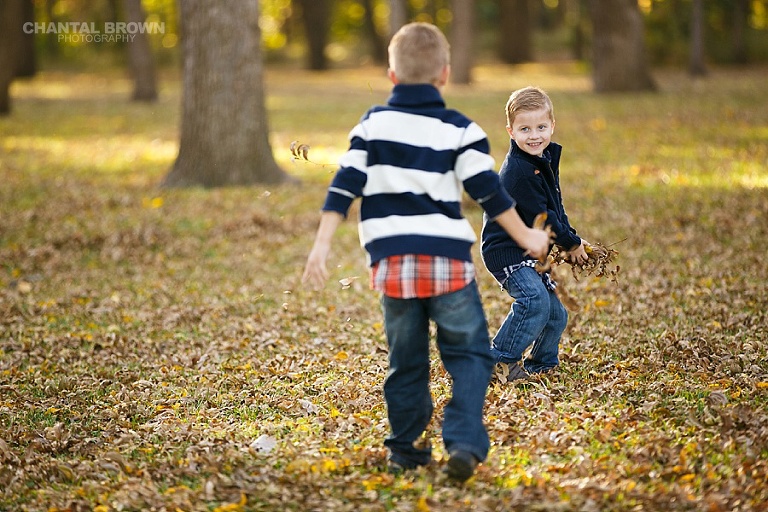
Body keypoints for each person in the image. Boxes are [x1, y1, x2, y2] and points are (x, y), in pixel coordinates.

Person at [302, 23, 550, 482]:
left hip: (393, 270)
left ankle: (405, 450)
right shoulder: (461, 130)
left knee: (407, 361)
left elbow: (343, 188)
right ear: (445, 75)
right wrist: (527, 237)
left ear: (392, 76)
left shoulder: (371, 125)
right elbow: (490, 193)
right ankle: (463, 443)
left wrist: (321, 245)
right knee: (471, 356)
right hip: (448, 267)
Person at [481, 86, 589, 383]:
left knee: (556, 313)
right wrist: (570, 243)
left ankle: (542, 363)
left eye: (541, 127)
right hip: (506, 250)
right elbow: (547, 219)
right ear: (511, 131)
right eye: (525, 128)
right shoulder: (520, 171)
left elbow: (556, 205)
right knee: (534, 301)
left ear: (552, 125)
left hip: (530, 251)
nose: (534, 135)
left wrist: (574, 239)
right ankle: (499, 361)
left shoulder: (543, 160)